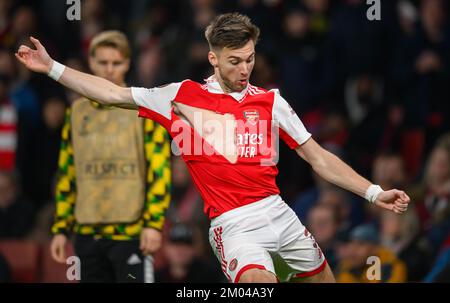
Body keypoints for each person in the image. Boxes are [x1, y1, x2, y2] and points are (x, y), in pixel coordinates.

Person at [15, 13, 410, 283]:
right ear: (213, 59)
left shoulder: (271, 102)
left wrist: (373, 192)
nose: (244, 70)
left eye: (250, 60)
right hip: (235, 224)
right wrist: (52, 68)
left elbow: (319, 157)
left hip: (280, 212)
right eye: (235, 61)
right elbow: (113, 92)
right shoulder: (180, 96)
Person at [45, 31, 171, 282]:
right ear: (91, 62)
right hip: (86, 232)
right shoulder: (76, 112)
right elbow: (67, 172)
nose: (109, 70)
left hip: (131, 231)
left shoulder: (144, 107)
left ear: (127, 63)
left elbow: (159, 168)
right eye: (103, 62)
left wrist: (154, 224)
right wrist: (60, 229)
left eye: (116, 63)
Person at [335, 224, 407, 283]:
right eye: (352, 244)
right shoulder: (344, 267)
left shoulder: (391, 267)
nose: (353, 250)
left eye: (360, 244)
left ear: (375, 249)